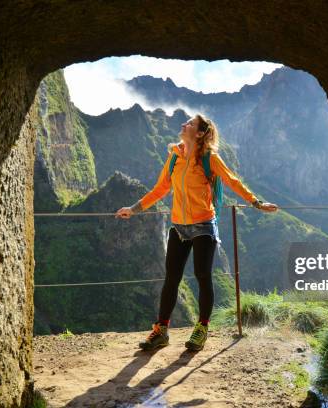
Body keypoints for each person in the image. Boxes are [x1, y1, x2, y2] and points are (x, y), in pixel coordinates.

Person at [115, 113, 278, 351]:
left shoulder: (209, 158)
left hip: (203, 225)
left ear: (200, 133)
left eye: (190, 123)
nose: (184, 124)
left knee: (203, 276)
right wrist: (134, 209)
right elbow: (161, 188)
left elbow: (232, 180)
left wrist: (256, 203)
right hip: (179, 226)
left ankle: (201, 329)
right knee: (171, 279)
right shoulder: (175, 156)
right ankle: (161, 331)